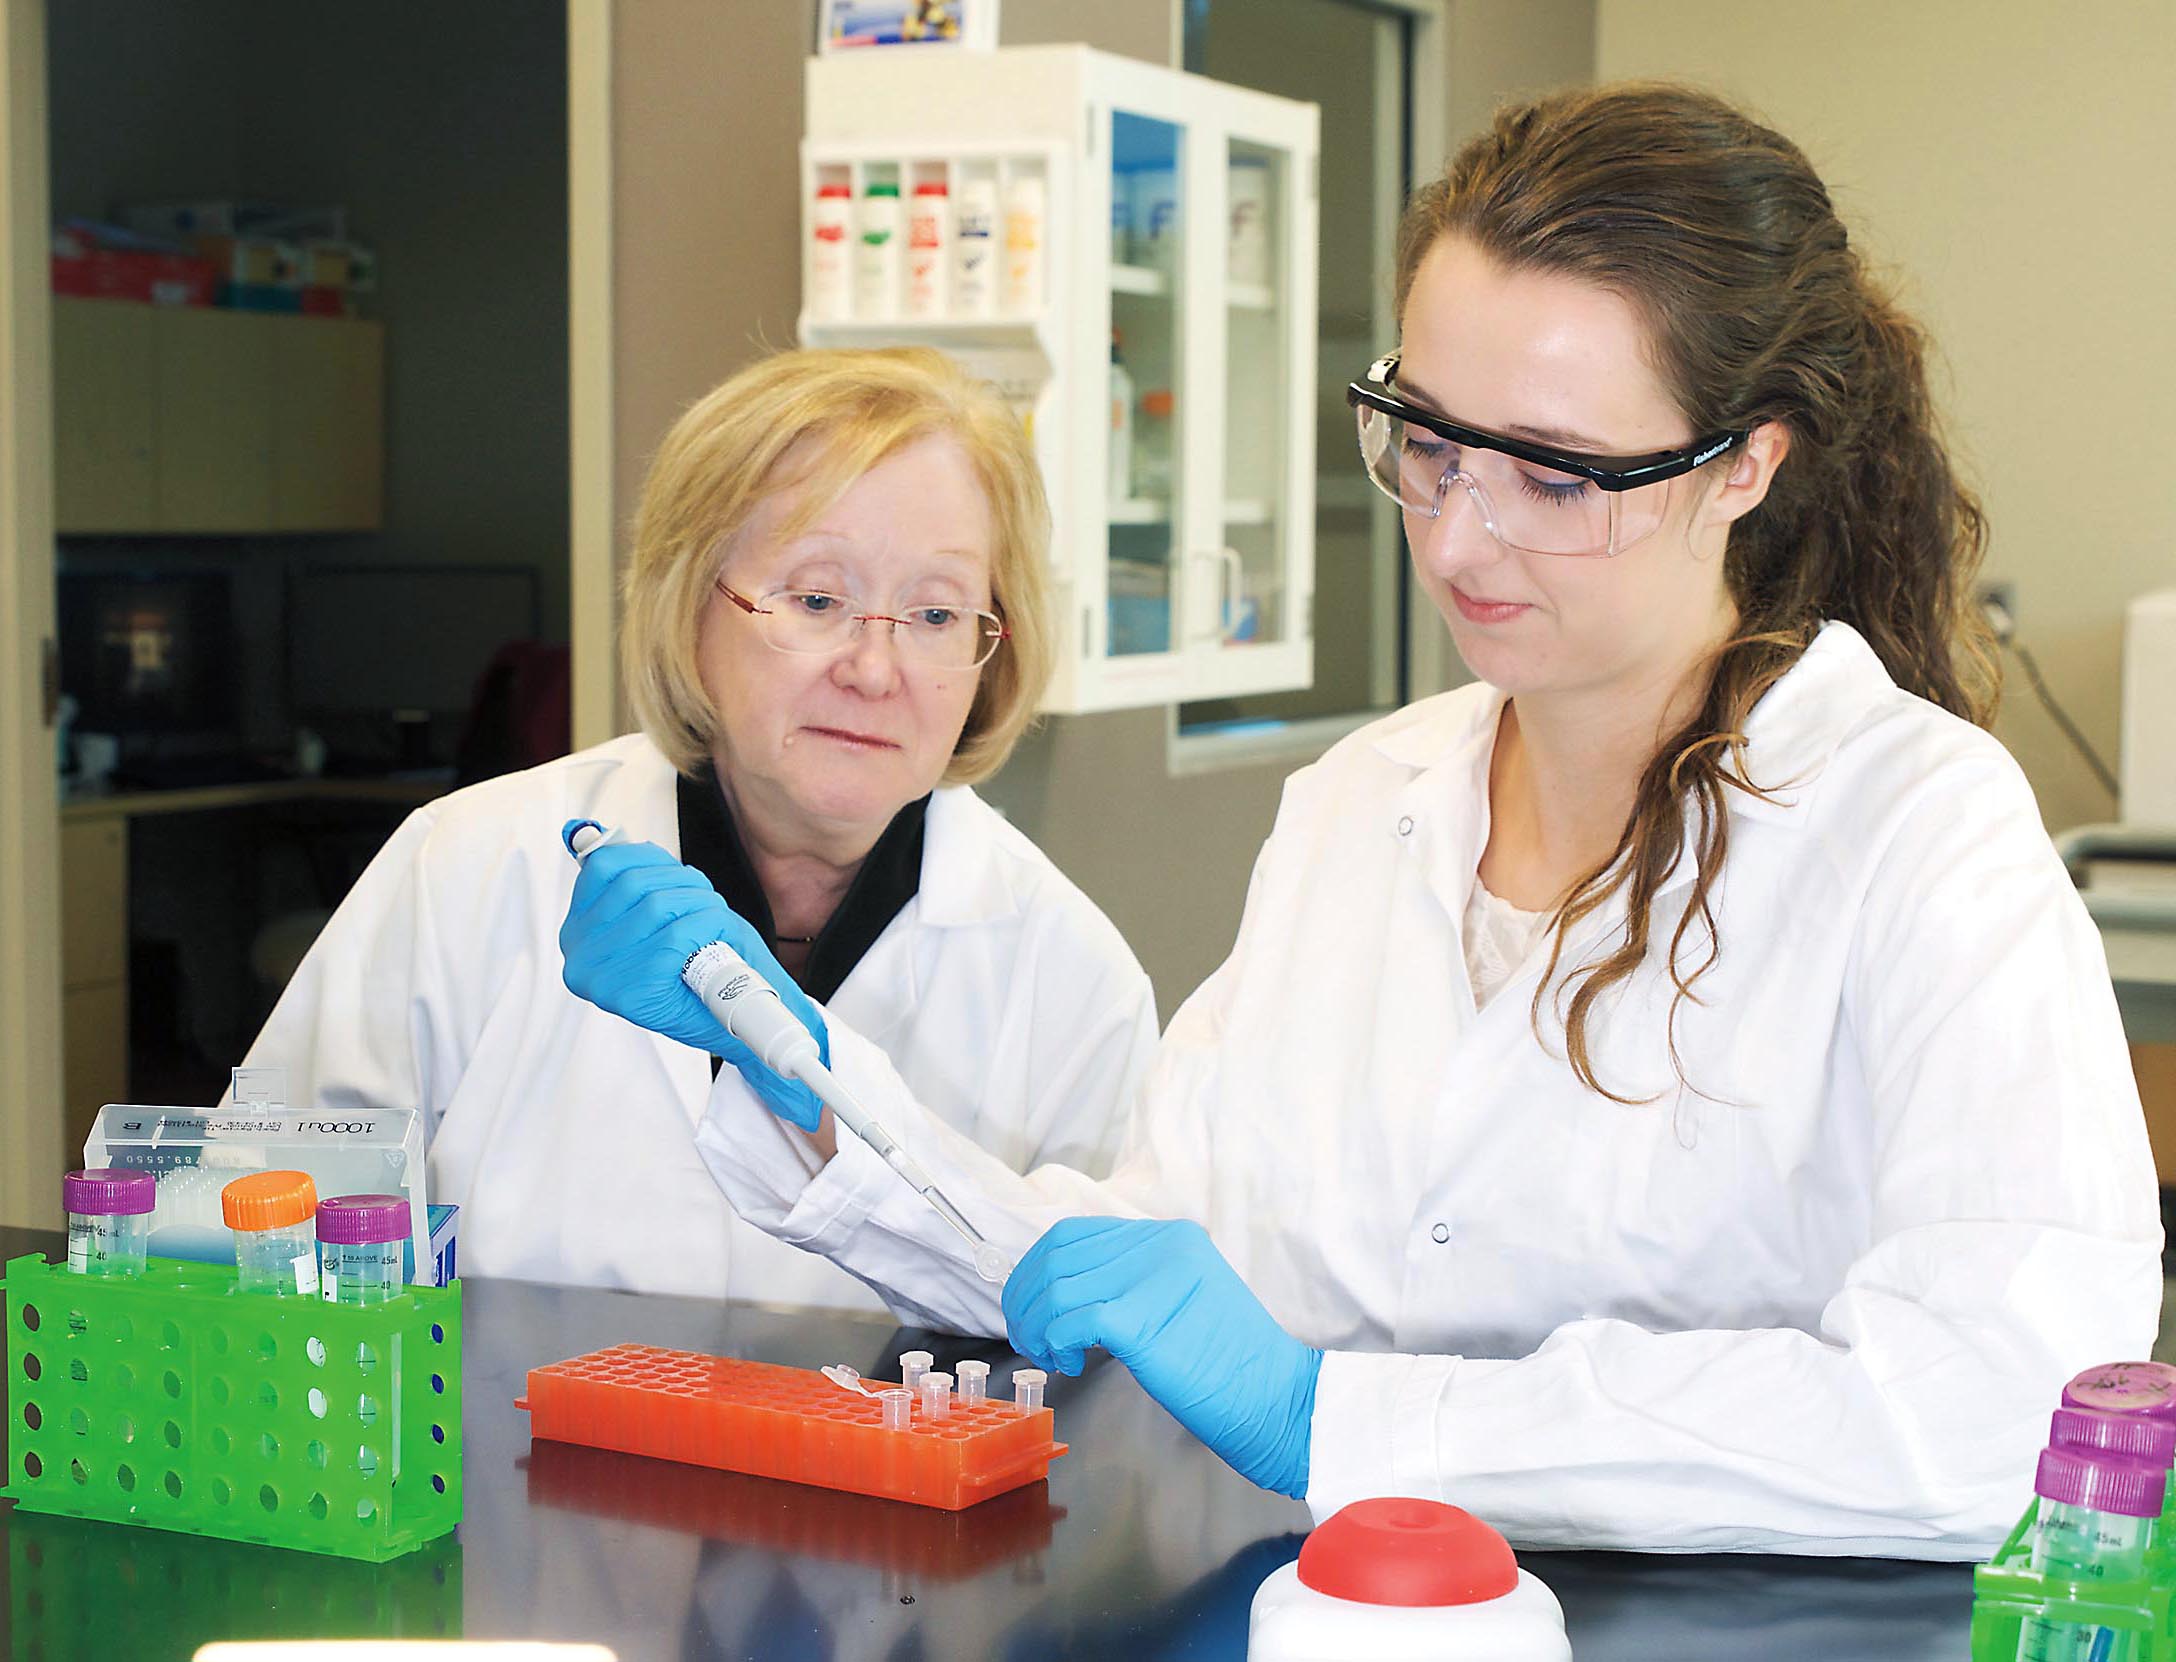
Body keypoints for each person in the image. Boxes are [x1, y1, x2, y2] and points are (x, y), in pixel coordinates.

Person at [565, 84, 2160, 1554]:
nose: (1460, 534)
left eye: (1555, 476)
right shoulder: (1361, 804)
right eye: (1429, 439)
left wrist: (1353, 1420)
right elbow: (1149, 1255)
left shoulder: (1917, 832)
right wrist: (815, 1093)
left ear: (1744, 464)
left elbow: (2002, 1403)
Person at [236, 346, 1157, 1307]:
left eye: (934, 613)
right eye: (816, 598)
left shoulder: (1071, 977)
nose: (876, 672)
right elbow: (265, 1237)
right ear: (691, 607)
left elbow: (1090, 1360)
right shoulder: (468, 868)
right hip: (488, 1455)